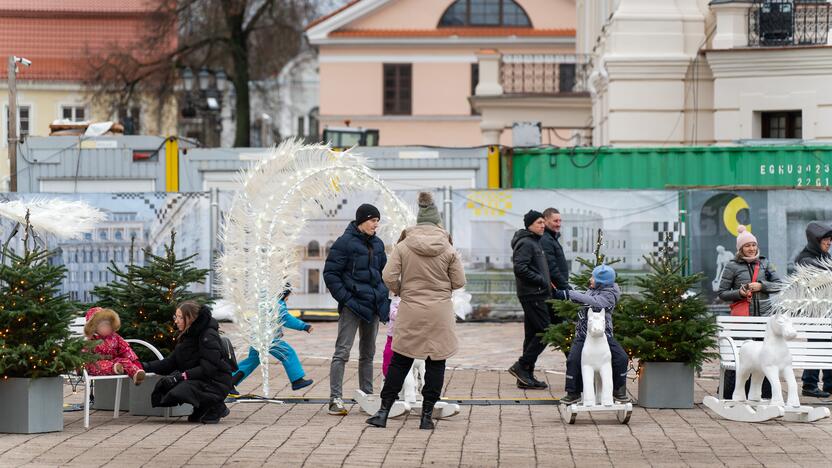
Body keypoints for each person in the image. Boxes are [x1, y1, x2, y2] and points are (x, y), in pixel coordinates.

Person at [368, 192, 466, 430]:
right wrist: (442, 290)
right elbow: (459, 281)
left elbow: (388, 276)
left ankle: (383, 412)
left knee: (400, 360)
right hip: (440, 311)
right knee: (436, 362)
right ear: (437, 223)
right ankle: (427, 417)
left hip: (411, 309)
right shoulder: (448, 248)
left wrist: (403, 290)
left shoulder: (403, 246)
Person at [324, 203, 390, 415]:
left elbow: (383, 274)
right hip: (351, 307)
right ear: (362, 221)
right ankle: (335, 399)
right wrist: (346, 298)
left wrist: (383, 299)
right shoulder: (344, 243)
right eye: (373, 220)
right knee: (342, 352)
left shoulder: (378, 244)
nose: (376, 224)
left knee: (368, 354)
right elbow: (330, 274)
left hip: (372, 306)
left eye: (378, 221)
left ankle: (367, 397)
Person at [142, 301, 234, 424]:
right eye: (176, 316)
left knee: (181, 389)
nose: (176, 321)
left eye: (180, 317)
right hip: (202, 379)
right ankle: (202, 407)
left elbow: (209, 368)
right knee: (166, 385)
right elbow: (171, 362)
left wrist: (182, 376)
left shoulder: (207, 335)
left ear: (191, 318)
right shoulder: (188, 335)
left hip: (216, 381)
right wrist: (143, 366)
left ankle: (216, 406)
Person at [555, 264, 630, 405]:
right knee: (573, 359)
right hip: (583, 334)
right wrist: (567, 294)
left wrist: (570, 294)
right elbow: (583, 299)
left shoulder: (610, 295)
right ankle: (573, 392)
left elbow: (595, 303)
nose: (590, 279)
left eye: (593, 278)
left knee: (621, 357)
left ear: (601, 282)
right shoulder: (592, 290)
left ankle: (617, 389)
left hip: (604, 336)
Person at [232, 288, 314, 391]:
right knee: (288, 353)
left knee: (252, 361)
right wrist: (304, 326)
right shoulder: (278, 304)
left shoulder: (266, 302)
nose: (288, 298)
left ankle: (230, 382)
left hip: (257, 337)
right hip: (269, 338)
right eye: (288, 295)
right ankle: (297, 380)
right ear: (283, 295)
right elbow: (286, 318)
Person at [507, 210, 553, 390]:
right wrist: (541, 280)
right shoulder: (526, 243)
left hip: (537, 293)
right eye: (539, 222)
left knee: (532, 334)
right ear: (530, 225)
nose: (543, 225)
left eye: (543, 222)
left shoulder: (535, 241)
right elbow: (520, 268)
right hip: (533, 294)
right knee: (545, 331)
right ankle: (521, 365)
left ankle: (525, 376)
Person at [796, 221, 832, 398]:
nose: (829, 242)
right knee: (816, 346)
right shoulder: (805, 258)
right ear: (815, 240)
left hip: (827, 312)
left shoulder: (826, 258)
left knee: (828, 347)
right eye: (826, 239)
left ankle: (830, 384)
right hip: (814, 313)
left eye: (830, 239)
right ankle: (809, 385)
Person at [717, 226, 781, 317]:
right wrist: (739, 293)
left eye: (754, 245)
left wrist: (761, 286)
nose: (752, 249)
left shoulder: (764, 263)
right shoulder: (732, 266)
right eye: (747, 246)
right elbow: (722, 293)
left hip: (765, 317)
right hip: (743, 318)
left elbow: (779, 286)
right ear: (740, 249)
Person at [83, 307, 145, 385]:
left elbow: (125, 349)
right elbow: (84, 354)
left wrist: (134, 362)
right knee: (98, 365)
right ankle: (115, 368)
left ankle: (136, 373)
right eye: (102, 326)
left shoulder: (115, 337)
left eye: (108, 325)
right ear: (94, 327)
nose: (106, 328)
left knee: (125, 361)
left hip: (114, 360)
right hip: (96, 363)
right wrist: (81, 365)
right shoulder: (91, 339)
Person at [541, 208, 571, 291]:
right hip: (553, 290)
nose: (559, 224)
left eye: (560, 221)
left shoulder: (552, 239)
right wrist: (566, 288)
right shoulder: (545, 240)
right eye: (555, 221)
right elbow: (551, 268)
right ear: (545, 220)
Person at [382, 295, 402, 378]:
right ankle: (387, 375)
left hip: (406, 335)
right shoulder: (396, 299)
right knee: (388, 355)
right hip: (392, 335)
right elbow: (392, 314)